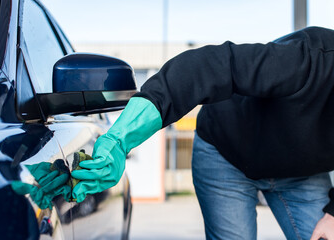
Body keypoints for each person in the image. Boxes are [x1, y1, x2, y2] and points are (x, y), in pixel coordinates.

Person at [71, 26, 334, 240]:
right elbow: (203, 69)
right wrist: (121, 138)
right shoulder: (310, 59)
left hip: (302, 174)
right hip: (227, 154)